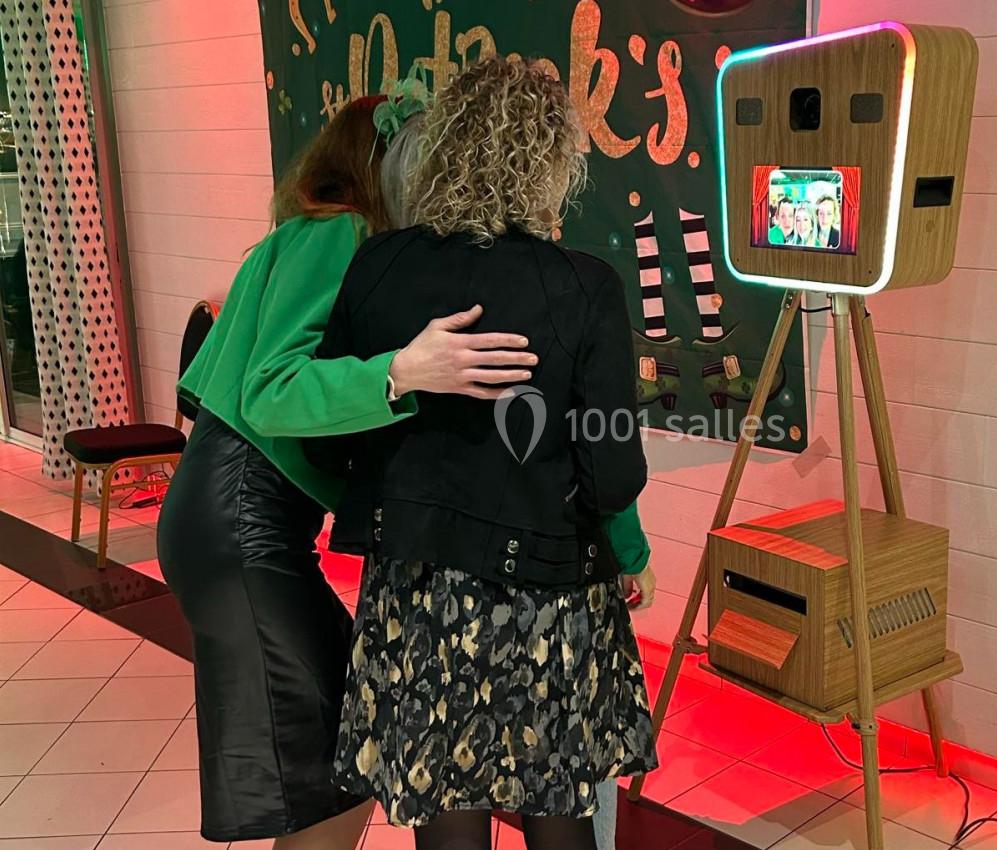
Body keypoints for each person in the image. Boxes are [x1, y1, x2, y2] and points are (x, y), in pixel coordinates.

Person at [155, 93, 538, 850]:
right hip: (243, 518)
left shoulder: (309, 236)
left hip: (235, 516)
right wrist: (402, 371)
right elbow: (271, 389)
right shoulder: (335, 232)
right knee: (328, 764)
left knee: (336, 751)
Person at [318, 57, 658, 850]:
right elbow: (612, 469)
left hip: (416, 594)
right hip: (546, 599)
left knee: (446, 811)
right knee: (556, 812)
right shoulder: (584, 285)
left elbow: (332, 436)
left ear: (445, 150)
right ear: (551, 161)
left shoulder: (379, 264)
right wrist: (626, 548)